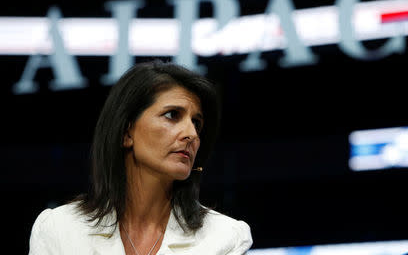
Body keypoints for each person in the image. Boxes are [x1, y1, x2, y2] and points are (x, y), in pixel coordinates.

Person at [29, 61, 252, 255]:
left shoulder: (225, 237)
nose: (191, 134)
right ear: (127, 133)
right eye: (172, 115)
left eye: (197, 123)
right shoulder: (59, 229)